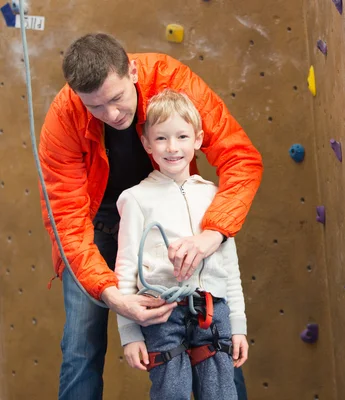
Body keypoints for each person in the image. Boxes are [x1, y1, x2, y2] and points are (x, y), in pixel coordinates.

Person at [38, 33, 261, 400]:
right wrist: (112, 295)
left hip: (171, 222)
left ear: (134, 71)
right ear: (78, 97)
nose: (111, 115)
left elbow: (240, 158)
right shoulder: (63, 119)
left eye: (116, 99)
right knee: (80, 346)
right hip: (97, 230)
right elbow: (67, 221)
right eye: (95, 107)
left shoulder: (172, 81)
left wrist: (213, 234)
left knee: (213, 335)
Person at [115, 88, 248, 399]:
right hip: (162, 312)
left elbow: (230, 267)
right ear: (146, 143)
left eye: (182, 137)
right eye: (161, 138)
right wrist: (129, 332)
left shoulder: (215, 196)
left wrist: (238, 324)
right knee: (171, 392)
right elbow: (124, 270)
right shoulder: (135, 199)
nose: (172, 147)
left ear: (198, 139)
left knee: (220, 393)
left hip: (215, 311)